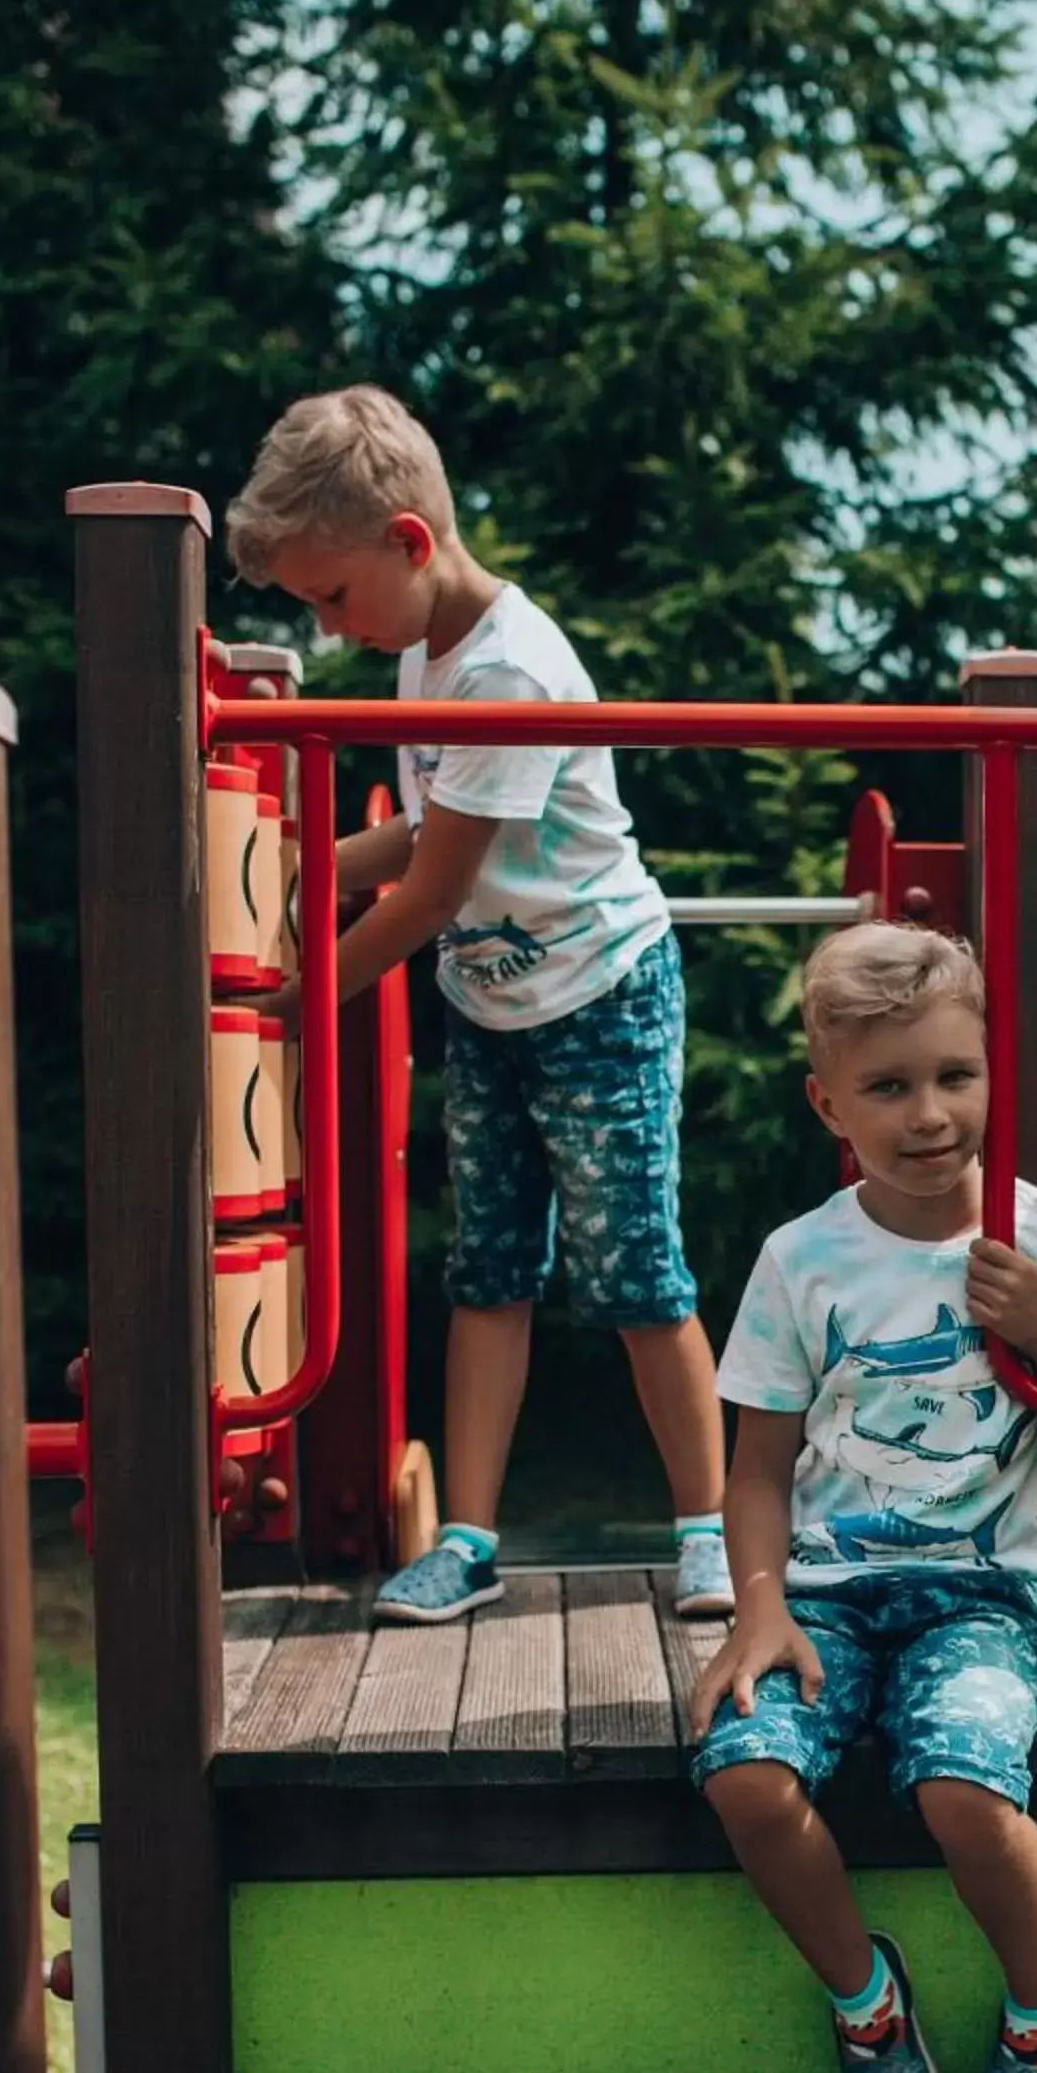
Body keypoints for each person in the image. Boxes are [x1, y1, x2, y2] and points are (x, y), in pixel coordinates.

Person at [225, 386, 733, 1623]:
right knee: (488, 1272)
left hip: (599, 992)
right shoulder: (423, 644)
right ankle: (466, 1539)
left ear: (409, 542)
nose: (330, 626)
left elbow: (437, 888)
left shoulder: (509, 665)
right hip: (493, 1003)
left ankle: (713, 1531)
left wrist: (297, 1001)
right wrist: (303, 871)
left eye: (331, 596)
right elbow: (424, 831)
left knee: (635, 1273)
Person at [691, 921, 1037, 2073]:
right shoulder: (801, 1260)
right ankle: (866, 2003)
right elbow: (754, 1466)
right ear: (830, 1103)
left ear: (996, 1071)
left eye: (952, 1077)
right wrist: (757, 1605)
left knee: (961, 1789)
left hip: (982, 1597)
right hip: (824, 1591)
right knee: (745, 1776)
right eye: (887, 1087)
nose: (927, 1116)